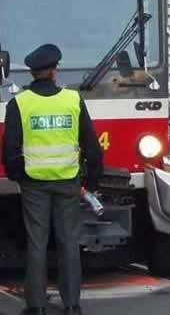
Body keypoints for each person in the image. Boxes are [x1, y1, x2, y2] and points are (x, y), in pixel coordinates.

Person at [2, 44, 103, 315]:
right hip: (68, 181)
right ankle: (71, 305)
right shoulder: (72, 100)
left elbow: (10, 149)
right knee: (69, 241)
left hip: (34, 183)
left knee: (37, 242)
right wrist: (92, 181)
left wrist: (19, 176)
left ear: (33, 73)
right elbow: (92, 146)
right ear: (54, 71)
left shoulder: (19, 104)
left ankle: (36, 306)